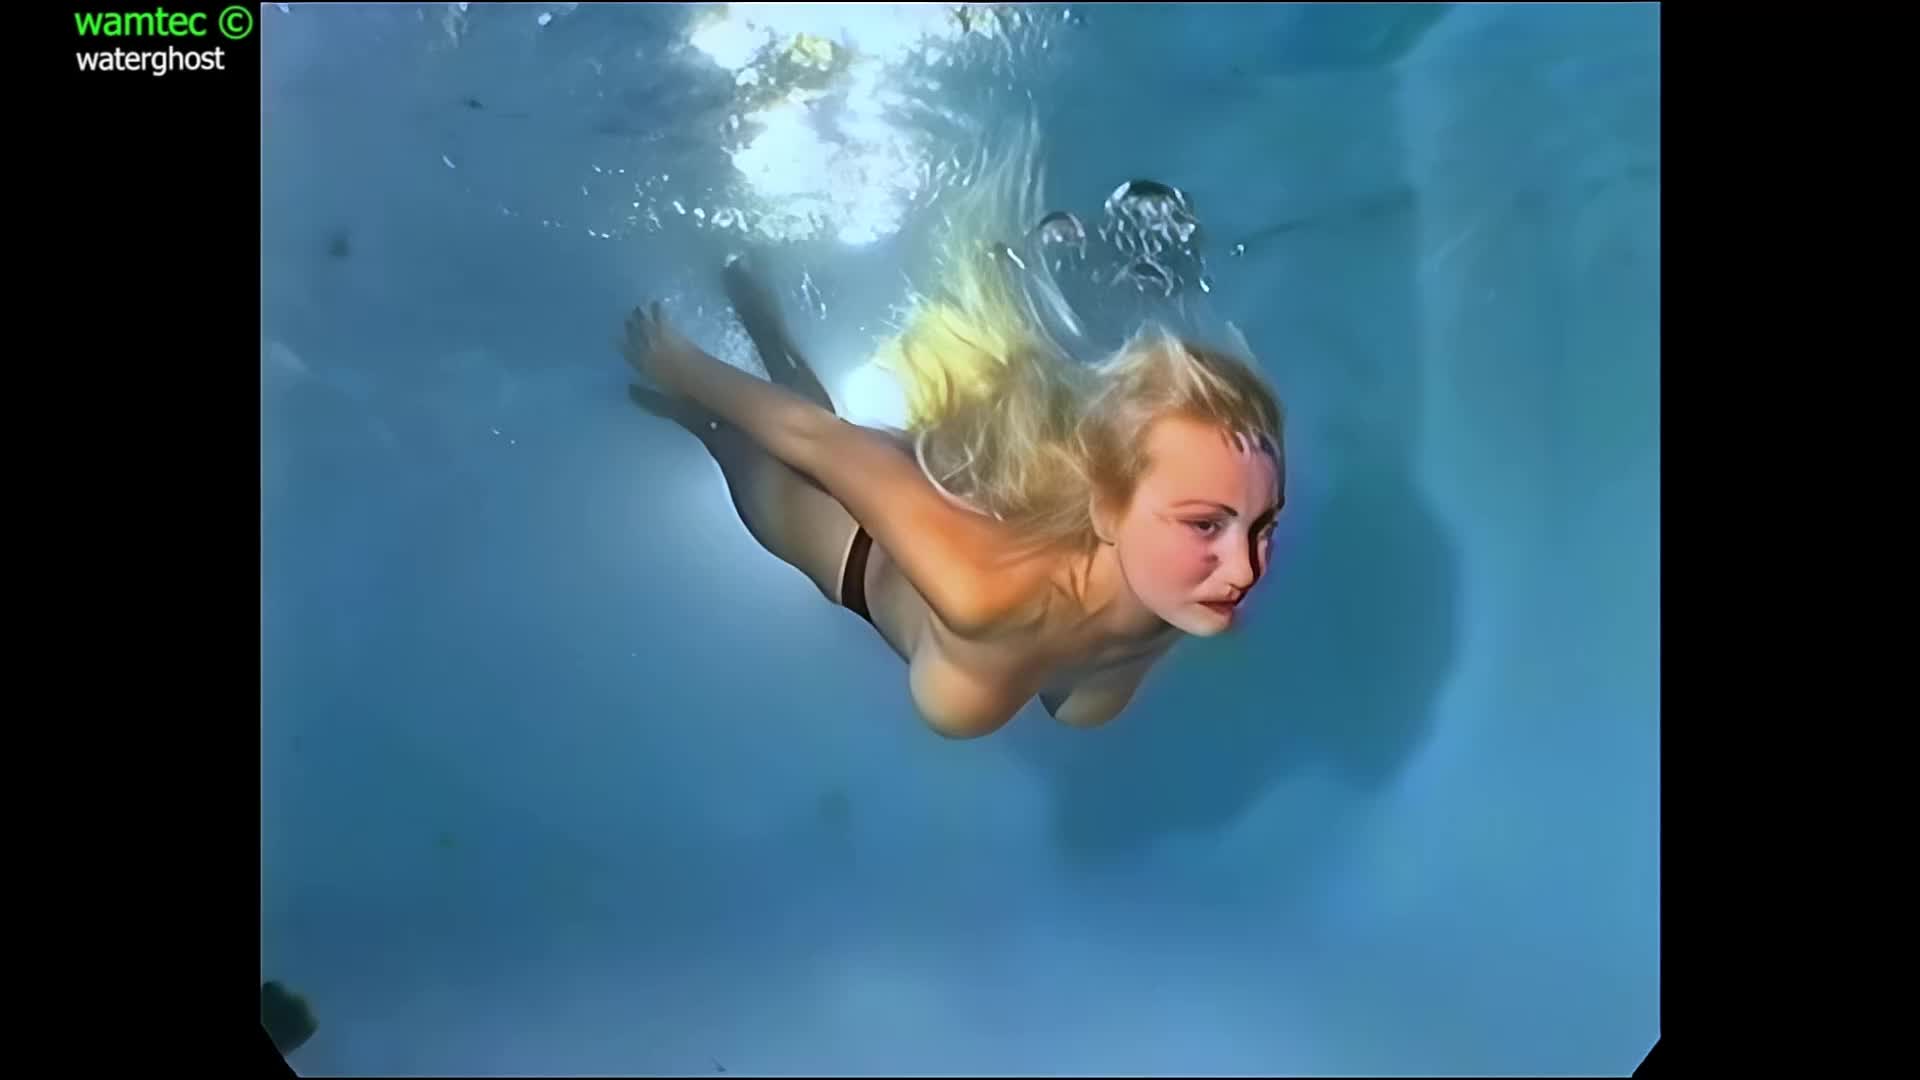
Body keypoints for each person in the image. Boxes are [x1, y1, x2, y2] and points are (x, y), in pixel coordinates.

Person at [621, 136, 1286, 740]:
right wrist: (681, 364)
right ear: (1110, 511)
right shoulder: (984, 587)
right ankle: (716, 364)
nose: (1247, 570)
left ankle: (761, 321)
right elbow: (813, 438)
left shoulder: (1177, 600)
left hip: (949, 502)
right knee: (725, 433)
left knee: (812, 418)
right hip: (850, 540)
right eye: (1206, 525)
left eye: (1263, 525)